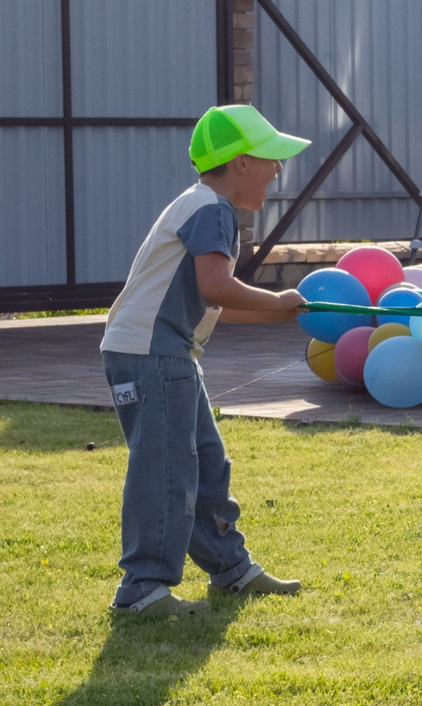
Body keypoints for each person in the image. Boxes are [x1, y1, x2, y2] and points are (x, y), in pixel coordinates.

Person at [97, 104, 312, 616]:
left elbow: (213, 302)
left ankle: (231, 569)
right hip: (153, 355)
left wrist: (280, 316)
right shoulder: (212, 210)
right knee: (167, 469)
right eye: (270, 158)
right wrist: (279, 300)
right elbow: (217, 286)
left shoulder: (199, 205)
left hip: (162, 352)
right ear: (240, 163)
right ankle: (142, 589)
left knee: (206, 464)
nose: (278, 169)